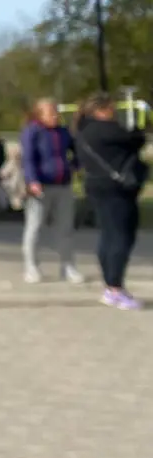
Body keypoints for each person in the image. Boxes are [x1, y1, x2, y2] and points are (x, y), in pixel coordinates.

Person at [74, 93, 148, 310]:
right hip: (116, 189)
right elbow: (136, 139)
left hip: (96, 186)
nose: (115, 112)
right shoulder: (107, 129)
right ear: (101, 110)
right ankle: (115, 288)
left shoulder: (83, 131)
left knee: (107, 235)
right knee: (121, 237)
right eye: (111, 108)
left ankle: (110, 285)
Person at [18, 98, 83, 285]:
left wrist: (76, 165)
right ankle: (31, 266)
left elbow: (77, 149)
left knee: (66, 228)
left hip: (63, 184)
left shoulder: (63, 132)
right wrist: (32, 180)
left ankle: (68, 265)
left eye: (56, 112)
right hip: (41, 186)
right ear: (39, 114)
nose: (55, 116)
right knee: (35, 227)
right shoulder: (32, 131)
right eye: (50, 112)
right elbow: (28, 158)